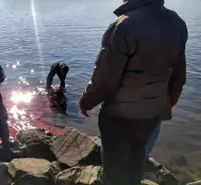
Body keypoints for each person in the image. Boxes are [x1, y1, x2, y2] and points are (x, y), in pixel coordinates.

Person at [79, 0, 188, 184]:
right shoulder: (176, 22)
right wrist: (162, 103)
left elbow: (106, 78)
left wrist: (87, 101)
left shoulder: (123, 25)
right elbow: (179, 75)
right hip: (151, 113)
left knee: (114, 168)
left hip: (118, 116)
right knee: (136, 159)